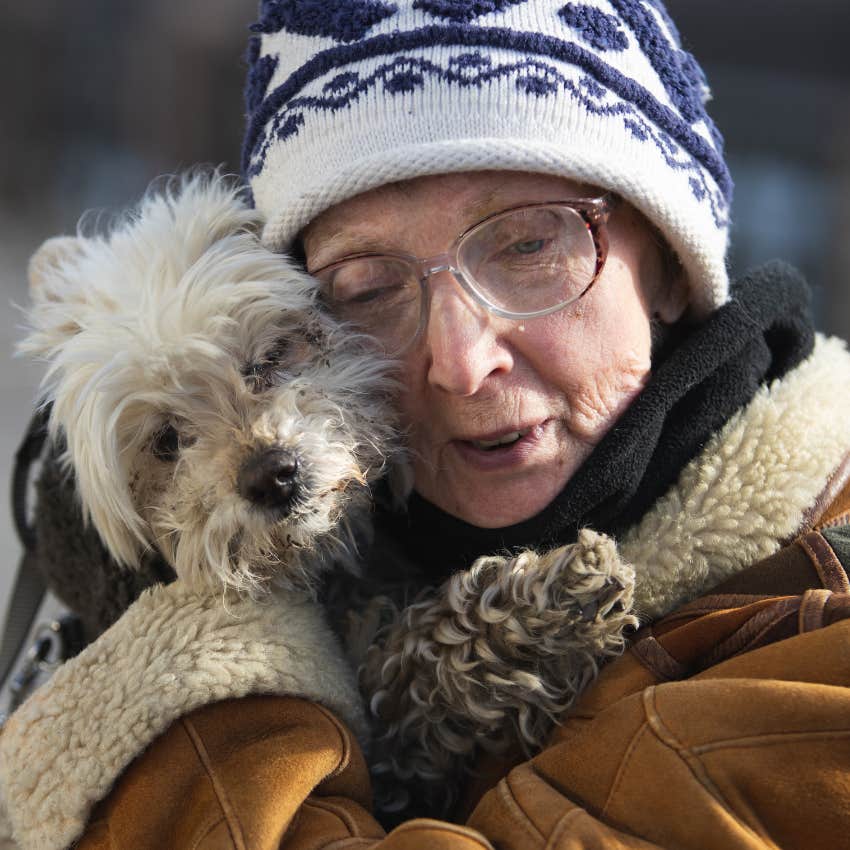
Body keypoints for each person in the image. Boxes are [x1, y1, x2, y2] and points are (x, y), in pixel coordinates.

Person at [3, 1, 850, 848]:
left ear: (667, 263)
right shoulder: (379, 551)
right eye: (369, 288)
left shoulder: (820, 601)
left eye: (527, 245)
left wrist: (185, 690)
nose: (461, 360)